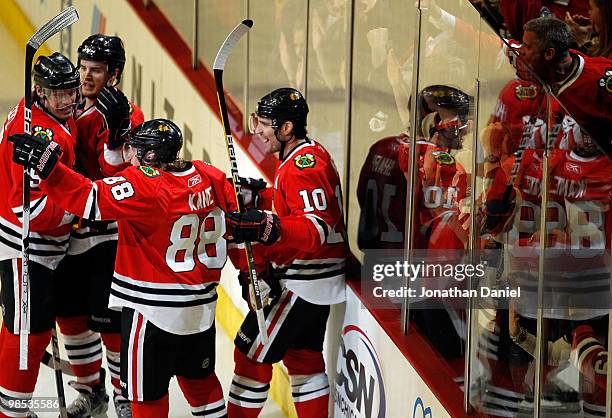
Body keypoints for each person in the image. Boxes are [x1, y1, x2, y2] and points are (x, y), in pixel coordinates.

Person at [9, 119, 237, 418]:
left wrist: (49, 168)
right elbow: (239, 217)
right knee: (202, 386)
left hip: (152, 313)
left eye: (135, 150)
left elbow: (88, 200)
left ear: (151, 157)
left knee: (146, 400)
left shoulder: (146, 184)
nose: (129, 155)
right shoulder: (209, 175)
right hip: (201, 311)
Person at [225, 88, 347, 417]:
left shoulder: (303, 165)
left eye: (265, 124)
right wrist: (262, 197)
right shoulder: (303, 155)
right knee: (303, 357)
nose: (258, 131)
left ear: (287, 128)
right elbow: (297, 207)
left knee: (250, 355)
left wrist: (269, 227)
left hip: (302, 280)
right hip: (316, 279)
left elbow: (316, 229)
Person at [53, 34, 144, 418]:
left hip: (109, 237)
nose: (86, 77)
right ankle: (92, 392)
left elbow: (122, 179)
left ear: (115, 74)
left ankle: (124, 396)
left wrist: (118, 134)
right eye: (83, 68)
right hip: (69, 235)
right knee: (70, 318)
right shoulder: (67, 107)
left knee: (111, 326)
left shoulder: (129, 116)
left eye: (96, 71)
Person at [0, 52, 80, 418]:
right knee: (27, 334)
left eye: (71, 91)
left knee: (23, 327)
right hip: (25, 246)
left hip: (42, 246)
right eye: (57, 93)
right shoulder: (35, 133)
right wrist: (81, 209)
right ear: (39, 92)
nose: (67, 100)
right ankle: (11, 413)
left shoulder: (45, 116)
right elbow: (27, 210)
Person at [518, 16, 612, 156]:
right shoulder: (546, 66)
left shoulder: (599, 82)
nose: (521, 50)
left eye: (527, 46)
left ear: (549, 53)